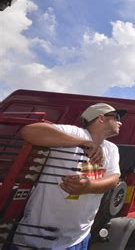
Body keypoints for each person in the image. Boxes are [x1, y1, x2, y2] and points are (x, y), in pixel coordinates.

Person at [12, 103, 125, 250]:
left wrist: (88, 187)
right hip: (36, 239)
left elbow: (114, 178)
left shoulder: (112, 149)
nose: (120, 122)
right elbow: (28, 131)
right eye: (116, 117)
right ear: (101, 118)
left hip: (79, 237)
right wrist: (83, 142)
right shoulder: (74, 133)